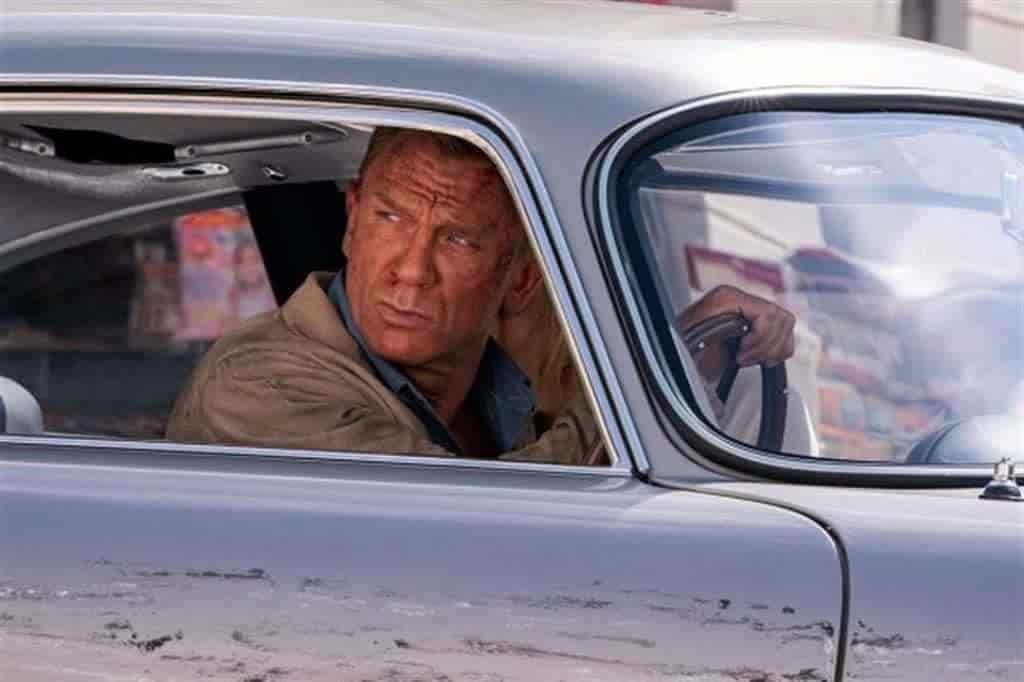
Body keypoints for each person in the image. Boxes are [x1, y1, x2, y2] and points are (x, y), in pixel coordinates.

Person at [167, 128, 795, 464]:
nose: (412, 271)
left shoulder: (494, 391)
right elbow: (483, 534)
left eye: (457, 239)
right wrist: (671, 364)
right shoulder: (256, 386)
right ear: (352, 220)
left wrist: (703, 352)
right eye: (391, 218)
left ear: (518, 276)